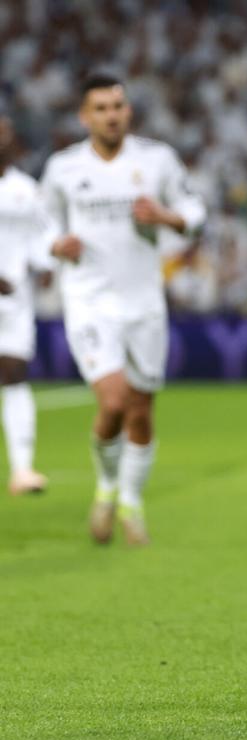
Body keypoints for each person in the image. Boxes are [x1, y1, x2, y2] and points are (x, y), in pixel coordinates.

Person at [41, 74, 205, 545]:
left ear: (128, 111)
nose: (111, 114)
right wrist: (56, 242)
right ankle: (107, 486)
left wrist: (167, 217)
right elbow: (43, 219)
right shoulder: (63, 168)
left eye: (118, 105)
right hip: (90, 300)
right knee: (113, 400)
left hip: (144, 302)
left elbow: (195, 212)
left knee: (141, 409)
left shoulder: (156, 160)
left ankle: (129, 501)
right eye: (101, 107)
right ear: (84, 116)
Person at [0, 116, 54, 496]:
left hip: (14, 297)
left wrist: (46, 264)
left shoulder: (26, 190)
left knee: (15, 371)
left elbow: (44, 234)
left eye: (5, 131)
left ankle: (22, 470)